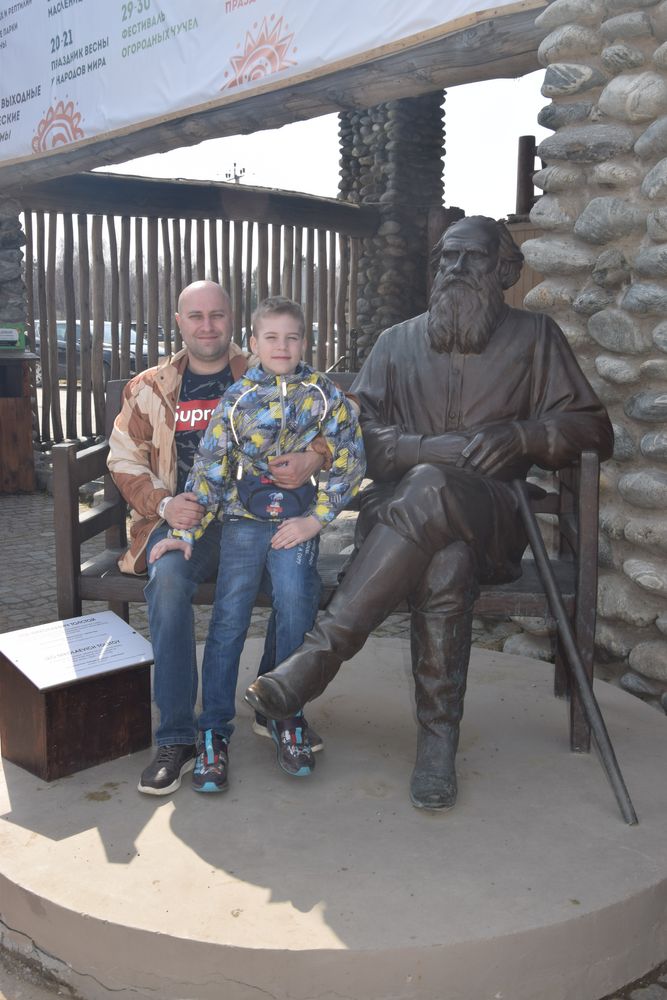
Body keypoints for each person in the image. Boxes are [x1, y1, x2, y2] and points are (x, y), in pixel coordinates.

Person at [245, 216, 614, 811]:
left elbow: (594, 429)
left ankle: (317, 660)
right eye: (447, 258)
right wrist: (423, 450)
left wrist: (523, 436)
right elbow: (353, 433)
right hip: (398, 519)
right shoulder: (397, 342)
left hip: (494, 520)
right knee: (445, 559)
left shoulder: (537, 338)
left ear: (504, 270)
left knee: (435, 492)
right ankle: (437, 745)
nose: (456, 269)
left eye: (472, 258)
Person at [107, 281, 327, 796]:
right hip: (186, 521)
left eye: (217, 315)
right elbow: (122, 456)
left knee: (297, 584)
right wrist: (165, 505)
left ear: (233, 321)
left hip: (259, 519)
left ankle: (273, 701)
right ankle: (178, 737)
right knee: (166, 581)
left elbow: (336, 412)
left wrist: (313, 458)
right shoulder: (150, 388)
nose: (207, 326)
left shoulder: (265, 370)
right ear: (179, 322)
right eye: (196, 316)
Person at [149, 296, 365, 792]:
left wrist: (316, 521)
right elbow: (209, 471)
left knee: (296, 603)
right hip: (242, 523)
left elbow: (351, 458)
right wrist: (183, 534)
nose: (282, 346)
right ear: (253, 343)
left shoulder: (322, 395)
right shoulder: (237, 400)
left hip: (296, 524)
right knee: (229, 617)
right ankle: (213, 729)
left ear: (305, 342)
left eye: (292, 337)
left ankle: (283, 711)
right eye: (271, 337)